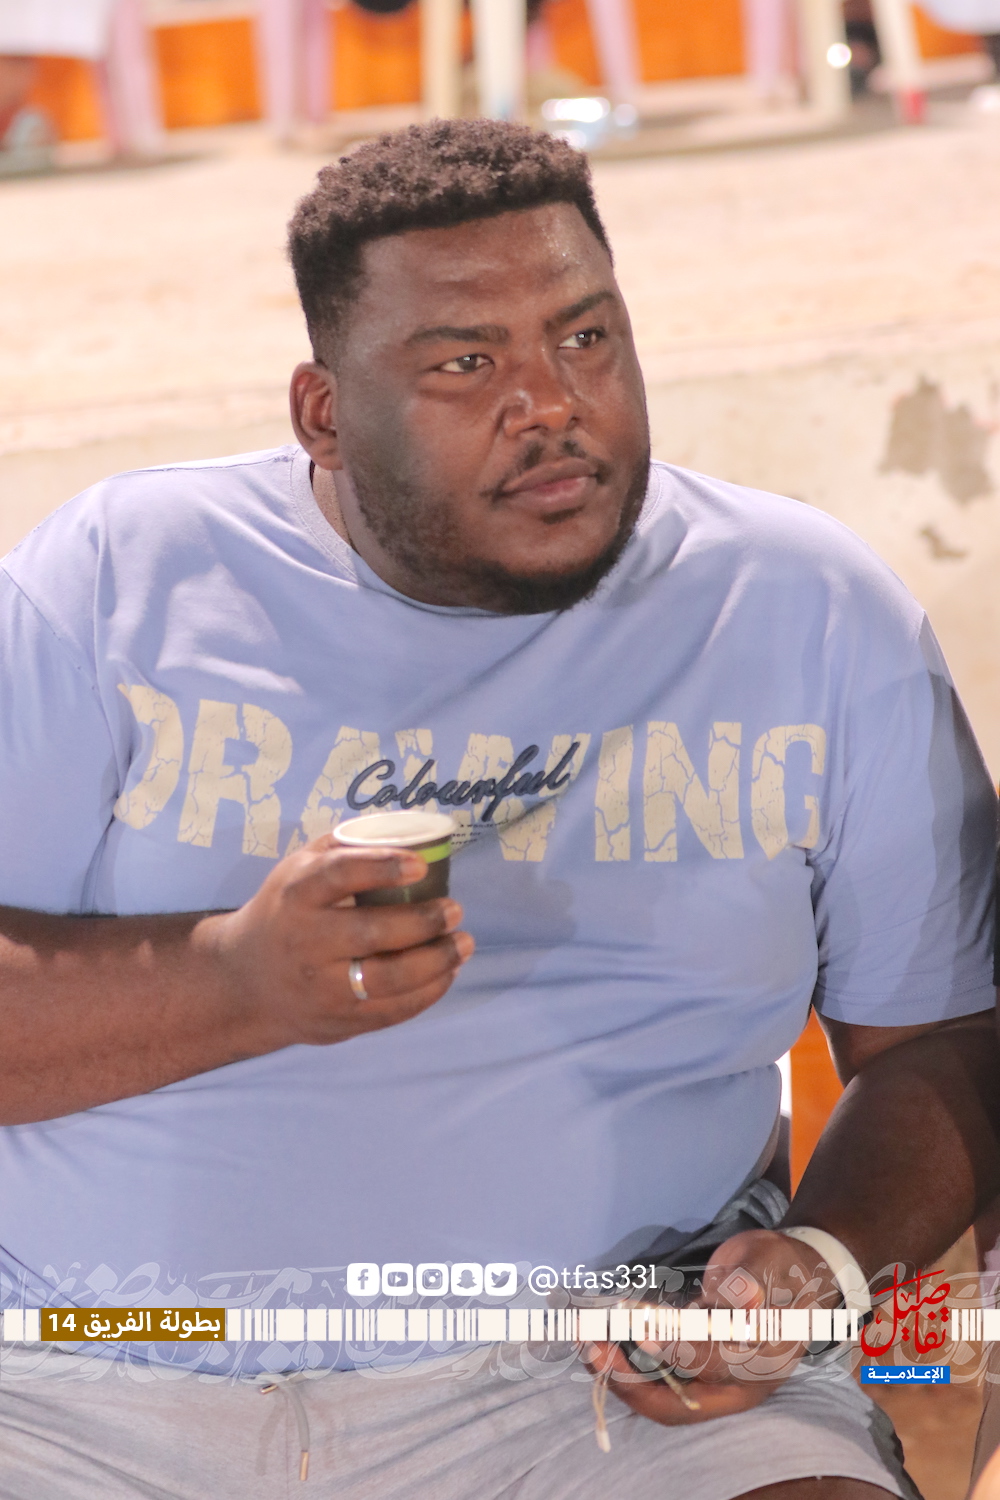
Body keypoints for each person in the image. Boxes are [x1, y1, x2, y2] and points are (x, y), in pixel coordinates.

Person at [0, 119, 997, 1500]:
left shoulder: (806, 611)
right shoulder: (120, 580)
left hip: (611, 1394)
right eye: (466, 363)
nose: (551, 403)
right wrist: (237, 980)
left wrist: (819, 1266)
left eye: (586, 337)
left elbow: (941, 1040)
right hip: (90, 1385)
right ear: (323, 414)